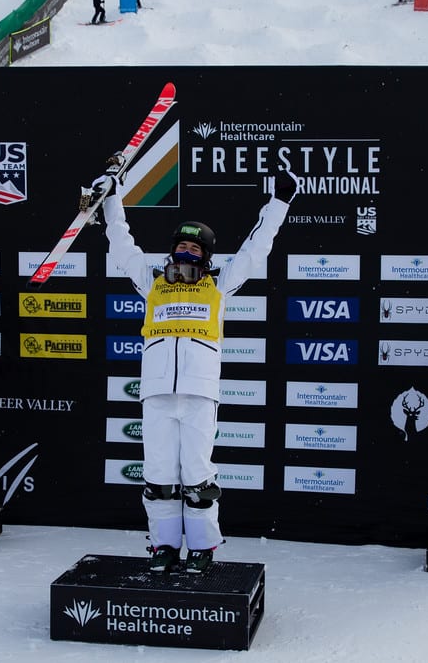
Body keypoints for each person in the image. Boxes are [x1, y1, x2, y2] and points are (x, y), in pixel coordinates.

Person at [98, 167, 298, 573]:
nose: (186, 253)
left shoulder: (219, 284)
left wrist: (279, 203)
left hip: (199, 394)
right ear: (172, 251)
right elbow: (122, 247)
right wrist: (111, 201)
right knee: (158, 479)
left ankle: (203, 548)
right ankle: (164, 547)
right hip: (155, 393)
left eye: (195, 249)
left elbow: (255, 250)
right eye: (181, 247)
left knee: (198, 478)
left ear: (206, 256)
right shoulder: (152, 281)